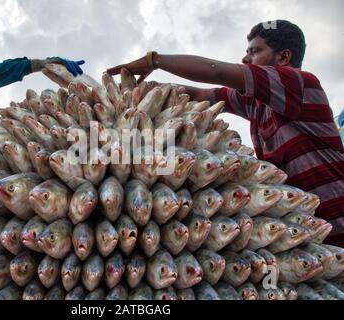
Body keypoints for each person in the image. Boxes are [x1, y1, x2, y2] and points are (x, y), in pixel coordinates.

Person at [107, 20, 344, 246]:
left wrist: (154, 60)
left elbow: (217, 71)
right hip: (309, 232)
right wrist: (151, 90)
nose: (245, 58)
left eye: (254, 51)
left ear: (283, 57)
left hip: (337, 224)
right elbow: (203, 96)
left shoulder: (299, 84)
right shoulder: (255, 102)